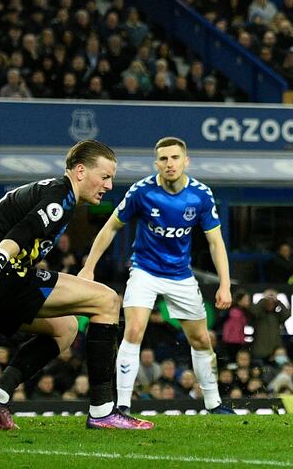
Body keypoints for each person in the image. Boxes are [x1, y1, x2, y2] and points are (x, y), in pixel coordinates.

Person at [0, 139, 153, 430]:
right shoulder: (60, 195)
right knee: (107, 301)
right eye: (105, 176)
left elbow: (17, 244)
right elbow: (24, 231)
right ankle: (102, 410)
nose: (109, 186)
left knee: (65, 328)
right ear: (81, 171)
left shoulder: (53, 194)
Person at [78, 136, 234, 414]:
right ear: (156, 163)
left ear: (186, 161)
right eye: (163, 159)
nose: (169, 164)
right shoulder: (142, 191)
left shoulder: (200, 194)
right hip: (144, 271)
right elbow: (111, 227)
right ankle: (123, 405)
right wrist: (89, 266)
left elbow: (215, 242)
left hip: (180, 275)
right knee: (134, 329)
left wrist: (225, 284)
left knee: (200, 339)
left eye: (175, 158)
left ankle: (214, 403)